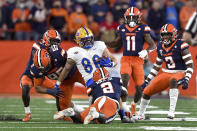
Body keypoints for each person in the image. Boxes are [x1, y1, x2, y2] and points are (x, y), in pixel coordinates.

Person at [20, 29, 84, 122]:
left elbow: (70, 60)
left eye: (57, 42)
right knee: (26, 87)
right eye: (53, 41)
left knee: (61, 95)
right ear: (46, 39)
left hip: (69, 74)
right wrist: (52, 90)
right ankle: (27, 113)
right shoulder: (38, 60)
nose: (55, 44)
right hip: (35, 74)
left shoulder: (58, 54)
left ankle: (79, 108)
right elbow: (39, 60)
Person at [105, 7, 155, 117]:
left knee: (140, 88)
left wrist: (146, 51)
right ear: (125, 18)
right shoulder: (122, 28)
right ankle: (123, 106)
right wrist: (105, 43)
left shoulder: (143, 28)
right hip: (126, 59)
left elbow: (152, 45)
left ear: (139, 18)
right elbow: (117, 43)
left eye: (134, 17)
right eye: (129, 17)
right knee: (125, 79)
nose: (131, 19)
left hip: (137, 60)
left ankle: (133, 104)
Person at [137, 24, 194, 119]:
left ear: (173, 34)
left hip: (180, 72)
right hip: (167, 72)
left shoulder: (181, 45)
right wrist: (147, 81)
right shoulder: (160, 46)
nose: (165, 37)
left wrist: (187, 79)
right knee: (147, 91)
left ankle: (171, 112)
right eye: (163, 35)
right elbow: (156, 66)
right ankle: (140, 114)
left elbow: (190, 65)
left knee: (173, 80)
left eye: (167, 34)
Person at [54, 67, 132, 124]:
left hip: (98, 100)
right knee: (105, 120)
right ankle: (97, 115)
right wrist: (124, 114)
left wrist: (90, 109)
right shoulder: (115, 80)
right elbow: (124, 92)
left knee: (80, 120)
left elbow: (91, 101)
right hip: (111, 102)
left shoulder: (93, 85)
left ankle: (72, 113)